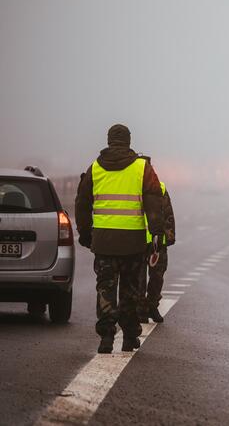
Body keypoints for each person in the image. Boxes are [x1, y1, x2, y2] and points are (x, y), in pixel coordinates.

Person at [75, 124, 165, 354]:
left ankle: (106, 336)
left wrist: (85, 233)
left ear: (109, 140)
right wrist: (156, 232)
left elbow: (82, 203)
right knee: (130, 290)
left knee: (105, 288)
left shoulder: (95, 168)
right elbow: (154, 200)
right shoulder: (142, 168)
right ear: (128, 140)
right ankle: (129, 336)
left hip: (104, 241)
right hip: (133, 241)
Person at [138, 176, 175, 324]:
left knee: (157, 276)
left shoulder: (161, 187)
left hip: (157, 241)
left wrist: (169, 237)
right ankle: (140, 310)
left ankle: (152, 305)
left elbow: (168, 214)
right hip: (138, 239)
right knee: (138, 278)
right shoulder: (132, 186)